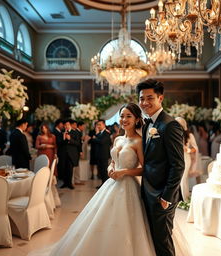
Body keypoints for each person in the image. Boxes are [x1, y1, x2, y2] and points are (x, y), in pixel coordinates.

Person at [28, 103, 156, 256]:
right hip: (112, 184)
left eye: (128, 116)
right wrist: (110, 168)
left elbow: (144, 169)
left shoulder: (139, 141)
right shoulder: (117, 139)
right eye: (122, 116)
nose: (124, 119)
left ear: (137, 119)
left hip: (128, 186)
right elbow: (113, 161)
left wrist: (125, 172)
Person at [137, 79, 185, 256]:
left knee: (163, 242)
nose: (145, 103)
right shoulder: (148, 124)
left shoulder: (169, 125)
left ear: (160, 98)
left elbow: (178, 165)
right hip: (149, 191)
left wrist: (166, 196)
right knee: (155, 240)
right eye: (142, 99)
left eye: (150, 98)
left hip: (162, 195)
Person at [175, 117, 202, 202]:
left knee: (183, 178)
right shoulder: (174, 134)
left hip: (186, 158)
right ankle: (178, 198)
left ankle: (185, 198)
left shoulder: (189, 135)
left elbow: (195, 148)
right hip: (176, 158)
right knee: (176, 178)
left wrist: (188, 150)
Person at [90, 119, 111, 188]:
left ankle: (106, 185)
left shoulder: (107, 133)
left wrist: (94, 138)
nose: (98, 126)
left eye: (100, 124)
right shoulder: (99, 133)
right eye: (97, 125)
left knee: (104, 171)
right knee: (100, 171)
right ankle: (103, 184)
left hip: (104, 155)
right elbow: (96, 140)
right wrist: (96, 136)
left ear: (104, 125)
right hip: (98, 154)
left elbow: (102, 142)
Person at [60, 119, 80, 189]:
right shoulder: (62, 132)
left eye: (67, 125)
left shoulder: (75, 132)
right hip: (63, 153)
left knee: (70, 169)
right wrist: (64, 138)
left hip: (72, 153)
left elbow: (77, 143)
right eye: (65, 125)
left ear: (70, 125)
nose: (66, 126)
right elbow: (60, 143)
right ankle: (65, 183)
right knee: (64, 169)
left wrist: (69, 139)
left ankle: (69, 183)